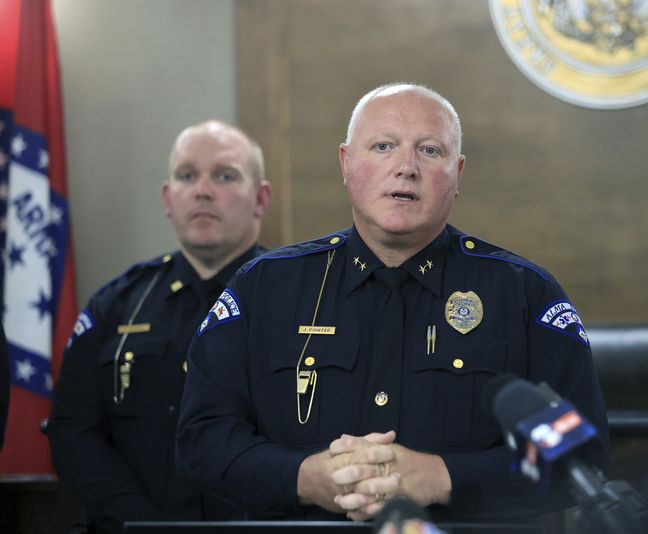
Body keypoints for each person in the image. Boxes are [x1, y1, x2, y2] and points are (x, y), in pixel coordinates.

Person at [175, 84, 609, 524]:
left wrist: (445, 477)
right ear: (346, 164)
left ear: (457, 173)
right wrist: (303, 477)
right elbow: (201, 439)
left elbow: (582, 459)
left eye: (430, 150)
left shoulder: (524, 294)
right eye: (383, 146)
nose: (406, 167)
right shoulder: (264, 287)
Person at [47, 120, 272, 533]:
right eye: (187, 176)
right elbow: (73, 430)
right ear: (168, 199)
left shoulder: (302, 300)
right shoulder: (117, 304)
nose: (202, 190)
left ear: (260, 199)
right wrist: (143, 524)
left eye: (224, 175)